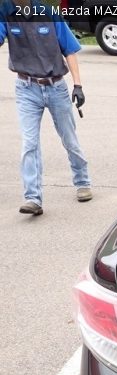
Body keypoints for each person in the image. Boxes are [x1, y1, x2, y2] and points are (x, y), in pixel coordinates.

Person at [0, 0, 91, 216]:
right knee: (29, 143)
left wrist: (77, 85)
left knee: (69, 139)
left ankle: (82, 182)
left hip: (55, 87)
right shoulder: (5, 12)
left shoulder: (49, 14)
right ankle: (33, 198)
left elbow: (69, 50)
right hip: (26, 88)